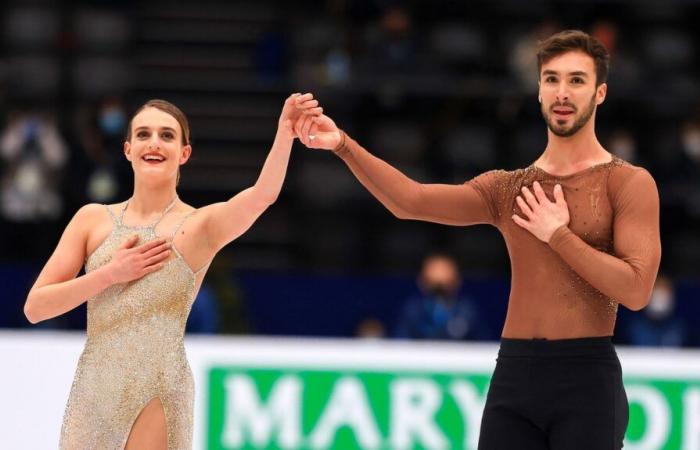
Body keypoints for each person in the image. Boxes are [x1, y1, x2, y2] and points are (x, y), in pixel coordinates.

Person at [294, 30, 661, 450]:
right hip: (514, 377)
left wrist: (558, 235)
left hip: (587, 382)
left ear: (600, 93)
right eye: (552, 79)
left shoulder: (627, 183)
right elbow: (409, 201)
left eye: (577, 80)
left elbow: (636, 290)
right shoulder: (508, 189)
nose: (562, 92)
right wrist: (343, 145)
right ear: (538, 90)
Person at [23, 93, 322, 449]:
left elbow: (262, 196)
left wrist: (284, 134)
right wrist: (109, 274)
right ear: (128, 149)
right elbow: (36, 307)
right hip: (94, 388)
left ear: (184, 153)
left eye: (167, 135)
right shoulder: (91, 219)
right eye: (144, 134)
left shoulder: (197, 226)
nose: (154, 143)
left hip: (160, 387)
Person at [394, 252, 490, 341]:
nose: (440, 281)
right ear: (421, 281)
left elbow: (482, 345)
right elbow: (401, 342)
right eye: (434, 283)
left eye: (445, 283)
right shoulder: (413, 309)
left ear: (457, 281)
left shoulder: (466, 310)